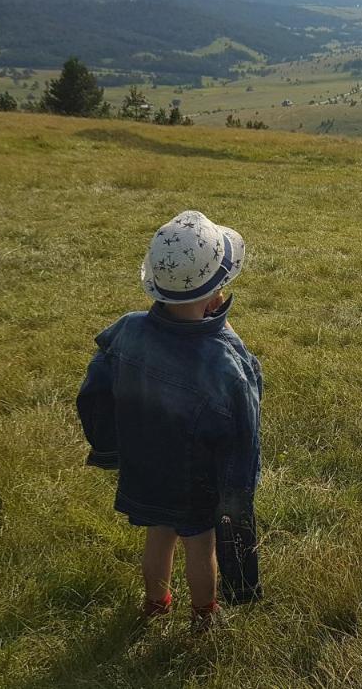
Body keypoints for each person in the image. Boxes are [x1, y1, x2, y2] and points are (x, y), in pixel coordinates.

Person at [76, 210, 263, 631]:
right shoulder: (224, 364)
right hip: (194, 480)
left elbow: (94, 392)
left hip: (145, 466)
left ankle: (155, 602)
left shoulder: (127, 330)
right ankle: (204, 615)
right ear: (216, 297)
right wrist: (236, 490)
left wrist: (110, 449)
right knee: (201, 544)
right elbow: (241, 434)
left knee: (158, 534)